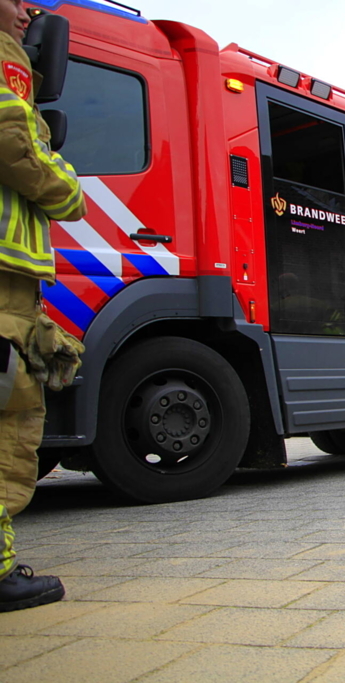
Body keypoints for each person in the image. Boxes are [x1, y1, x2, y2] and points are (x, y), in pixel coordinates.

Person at [0, 0, 87, 611]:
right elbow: (16, 146)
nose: (30, 8)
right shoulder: (6, 60)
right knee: (8, 427)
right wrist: (70, 189)